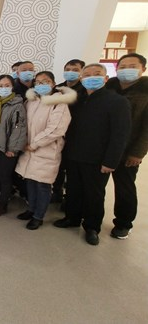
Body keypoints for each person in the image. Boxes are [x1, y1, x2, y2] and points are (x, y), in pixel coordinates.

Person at [54, 63, 131, 246]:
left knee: (94, 194)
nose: (91, 77)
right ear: (81, 79)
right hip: (73, 153)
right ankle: (72, 218)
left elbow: (120, 134)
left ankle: (92, 227)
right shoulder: (77, 100)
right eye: (87, 74)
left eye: (96, 74)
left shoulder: (117, 101)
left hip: (97, 158)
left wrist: (111, 161)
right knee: (73, 189)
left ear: (106, 78)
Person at [14, 72, 74, 230]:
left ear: (53, 83)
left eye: (46, 81)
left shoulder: (59, 104)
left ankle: (38, 216)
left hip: (46, 151)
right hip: (28, 149)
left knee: (42, 185)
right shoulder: (31, 101)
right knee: (30, 181)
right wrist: (22, 141)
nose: (41, 85)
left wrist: (34, 144)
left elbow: (56, 129)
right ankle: (31, 209)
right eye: (38, 82)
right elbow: (23, 122)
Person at [105, 53, 148, 239]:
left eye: (132, 66)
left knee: (124, 187)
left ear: (143, 69)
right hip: (103, 147)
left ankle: (123, 223)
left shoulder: (145, 92)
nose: (126, 70)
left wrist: (137, 153)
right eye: (122, 67)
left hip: (128, 150)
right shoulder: (109, 88)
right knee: (95, 185)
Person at [0, 74, 27, 217]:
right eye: (1, 86)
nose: (3, 88)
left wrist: (12, 149)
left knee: (5, 177)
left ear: (12, 87)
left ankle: (2, 204)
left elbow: (18, 129)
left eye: (7, 85)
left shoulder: (17, 105)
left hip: (7, 148)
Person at [53, 59, 86, 204]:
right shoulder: (58, 88)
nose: (70, 72)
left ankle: (71, 200)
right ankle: (56, 192)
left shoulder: (85, 90)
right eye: (68, 69)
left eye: (75, 70)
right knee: (58, 166)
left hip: (76, 135)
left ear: (81, 72)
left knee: (73, 170)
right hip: (58, 134)